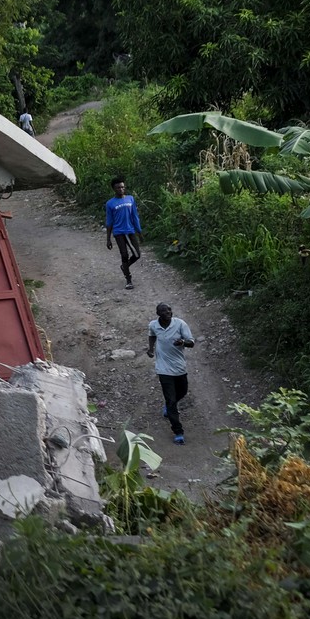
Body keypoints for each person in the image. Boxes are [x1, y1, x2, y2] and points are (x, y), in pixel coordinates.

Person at [146, 303, 195, 444]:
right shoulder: (154, 325)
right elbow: (152, 335)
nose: (168, 312)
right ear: (158, 313)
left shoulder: (180, 324)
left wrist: (182, 342)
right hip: (163, 368)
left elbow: (191, 343)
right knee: (171, 399)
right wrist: (150, 349)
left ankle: (168, 406)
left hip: (179, 367)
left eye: (169, 310)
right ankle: (178, 432)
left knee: (183, 391)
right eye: (164, 311)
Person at [104, 176, 142, 289]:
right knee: (124, 254)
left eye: (122, 187)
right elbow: (109, 221)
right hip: (119, 232)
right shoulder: (110, 203)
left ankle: (125, 267)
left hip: (130, 231)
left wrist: (139, 232)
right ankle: (128, 279)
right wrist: (108, 239)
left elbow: (135, 216)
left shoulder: (130, 199)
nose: (121, 189)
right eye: (118, 188)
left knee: (137, 254)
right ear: (114, 189)